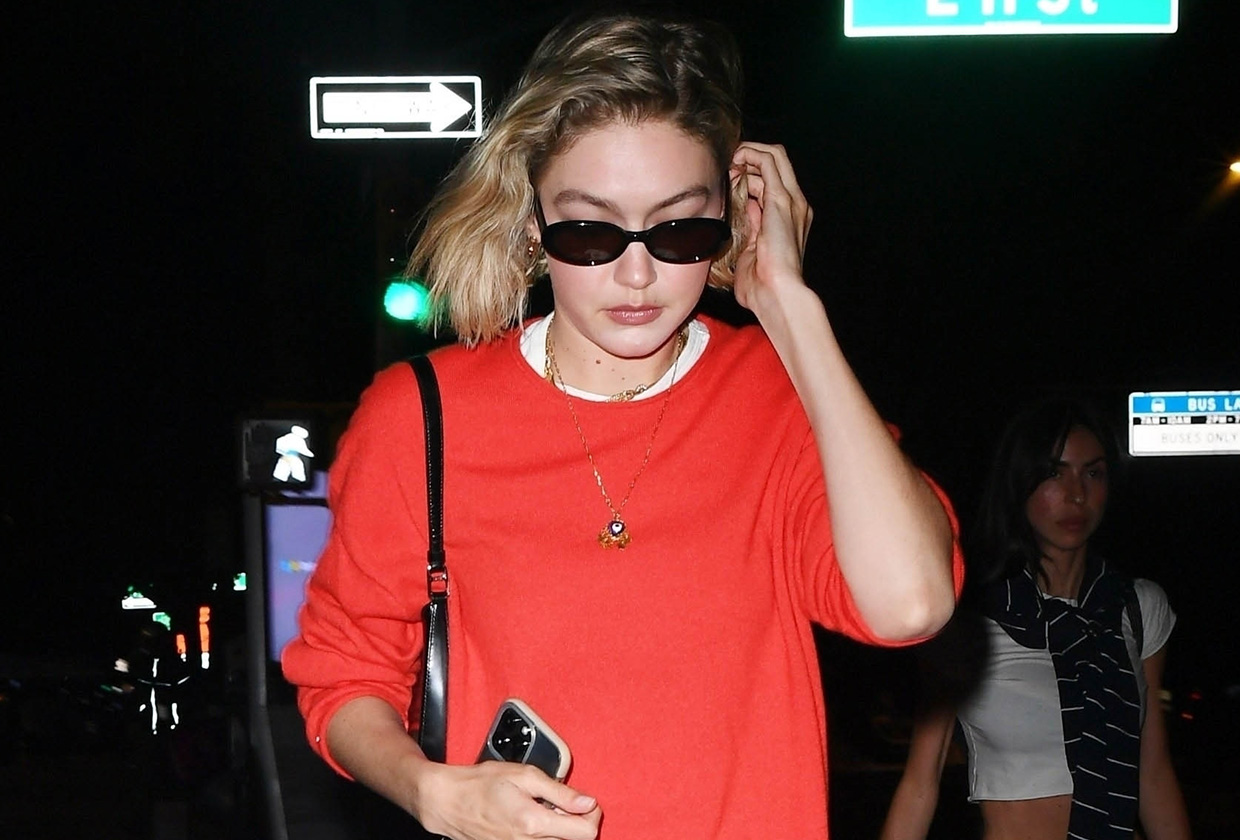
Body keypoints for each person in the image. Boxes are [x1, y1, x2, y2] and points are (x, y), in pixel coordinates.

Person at [283, 11, 962, 840]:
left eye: (679, 228)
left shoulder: (783, 398)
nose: (637, 274)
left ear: (731, 219)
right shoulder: (420, 416)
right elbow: (341, 677)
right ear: (535, 224)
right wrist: (435, 792)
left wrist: (789, 304)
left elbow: (910, 604)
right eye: (589, 230)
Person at [880, 401, 1192, 840]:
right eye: (1053, 473)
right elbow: (920, 781)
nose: (1076, 494)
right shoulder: (968, 619)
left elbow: (1153, 772)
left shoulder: (1139, 608)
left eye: (1093, 473)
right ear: (1019, 483)